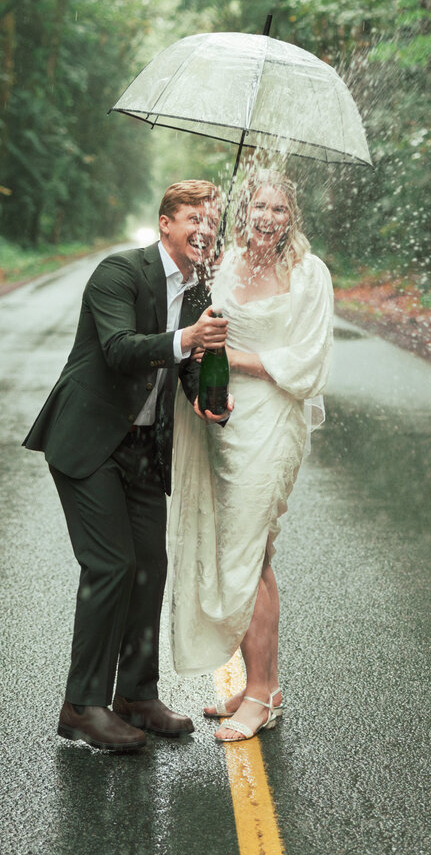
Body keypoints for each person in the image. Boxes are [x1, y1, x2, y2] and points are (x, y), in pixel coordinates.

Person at [23, 180, 230, 753]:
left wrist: (205, 395)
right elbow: (120, 349)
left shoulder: (199, 288)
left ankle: (136, 695)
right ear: (165, 223)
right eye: (193, 217)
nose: (203, 229)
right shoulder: (118, 273)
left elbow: (184, 365)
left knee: (148, 568)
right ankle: (82, 704)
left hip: (145, 447)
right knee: (110, 564)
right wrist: (187, 337)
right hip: (89, 442)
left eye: (211, 220)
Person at [168, 168, 333, 742]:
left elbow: (308, 363)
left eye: (279, 210)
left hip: (276, 421)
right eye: (259, 207)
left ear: (293, 218)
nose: (267, 218)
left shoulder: (309, 274)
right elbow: (196, 334)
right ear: (245, 211)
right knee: (243, 551)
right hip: (227, 420)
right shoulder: (225, 264)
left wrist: (234, 357)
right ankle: (261, 683)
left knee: (251, 545)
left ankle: (260, 697)